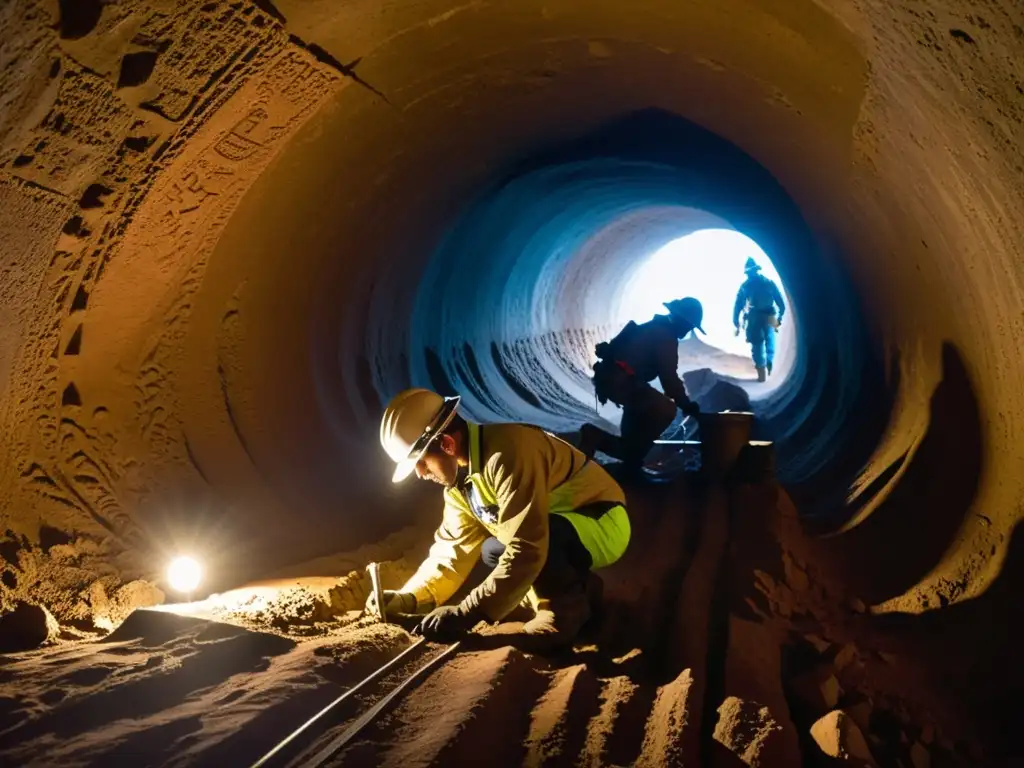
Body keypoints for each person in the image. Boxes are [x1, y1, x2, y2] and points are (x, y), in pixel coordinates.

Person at [367, 388, 631, 647]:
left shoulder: (506, 453)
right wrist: (410, 598)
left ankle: (564, 615)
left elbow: (527, 547)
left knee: (534, 541)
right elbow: (452, 552)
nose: (420, 474)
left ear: (447, 444)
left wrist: (466, 612)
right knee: (493, 549)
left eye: (421, 462)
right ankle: (581, 589)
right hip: (564, 530)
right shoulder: (462, 486)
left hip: (603, 521)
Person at [578, 297, 704, 470]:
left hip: (615, 379)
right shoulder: (665, 336)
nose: (688, 330)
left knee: (632, 448)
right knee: (665, 409)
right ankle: (594, 437)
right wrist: (686, 405)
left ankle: (628, 460)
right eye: (689, 326)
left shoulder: (654, 328)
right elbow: (669, 379)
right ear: (681, 321)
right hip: (621, 381)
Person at [733, 257, 786, 382]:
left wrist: (780, 317)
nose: (751, 274)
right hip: (758, 316)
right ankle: (763, 370)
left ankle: (767, 367)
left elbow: (780, 302)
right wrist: (735, 319)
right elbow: (738, 304)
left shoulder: (763, 284)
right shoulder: (751, 286)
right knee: (760, 344)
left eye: (752, 272)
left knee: (768, 343)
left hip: (764, 315)